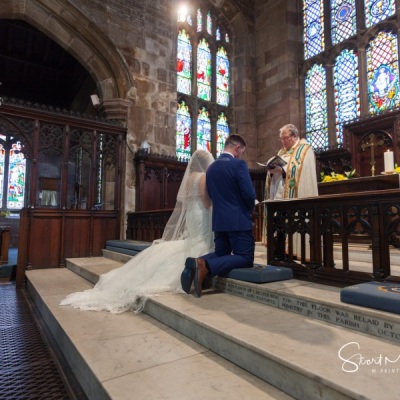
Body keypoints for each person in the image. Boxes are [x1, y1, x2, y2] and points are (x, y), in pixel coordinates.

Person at [60, 149, 214, 313]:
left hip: (192, 214)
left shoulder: (189, 178)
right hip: (200, 214)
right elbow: (206, 201)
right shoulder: (203, 177)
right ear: (205, 164)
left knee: (193, 240)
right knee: (201, 241)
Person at [181, 134, 256, 297]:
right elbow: (249, 195)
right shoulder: (239, 165)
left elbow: (212, 196)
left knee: (221, 253)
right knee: (245, 257)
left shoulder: (211, 168)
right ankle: (203, 264)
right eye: (241, 151)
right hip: (237, 220)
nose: (241, 155)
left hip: (219, 220)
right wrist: (250, 210)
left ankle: (195, 264)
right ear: (237, 148)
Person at [263, 123, 318, 258]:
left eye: (285, 138)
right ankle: (279, 251)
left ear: (294, 136)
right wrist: (271, 170)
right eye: (281, 139)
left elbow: (300, 170)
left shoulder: (305, 149)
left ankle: (295, 250)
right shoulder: (282, 152)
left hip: (295, 197)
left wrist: (282, 170)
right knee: (279, 223)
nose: (282, 142)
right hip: (279, 196)